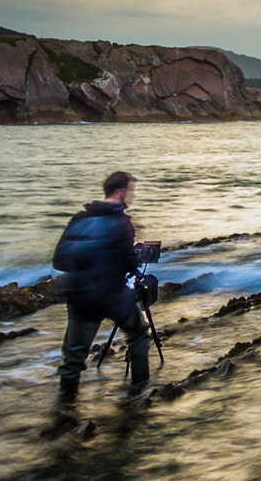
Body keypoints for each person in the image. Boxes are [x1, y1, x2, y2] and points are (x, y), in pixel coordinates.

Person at [51, 170, 151, 403]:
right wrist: (136, 259)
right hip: (111, 294)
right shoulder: (121, 222)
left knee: (73, 358)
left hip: (78, 295)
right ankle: (138, 395)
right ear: (120, 192)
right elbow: (128, 263)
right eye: (130, 191)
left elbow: (59, 261)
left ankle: (64, 409)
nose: (131, 196)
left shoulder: (79, 218)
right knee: (138, 334)